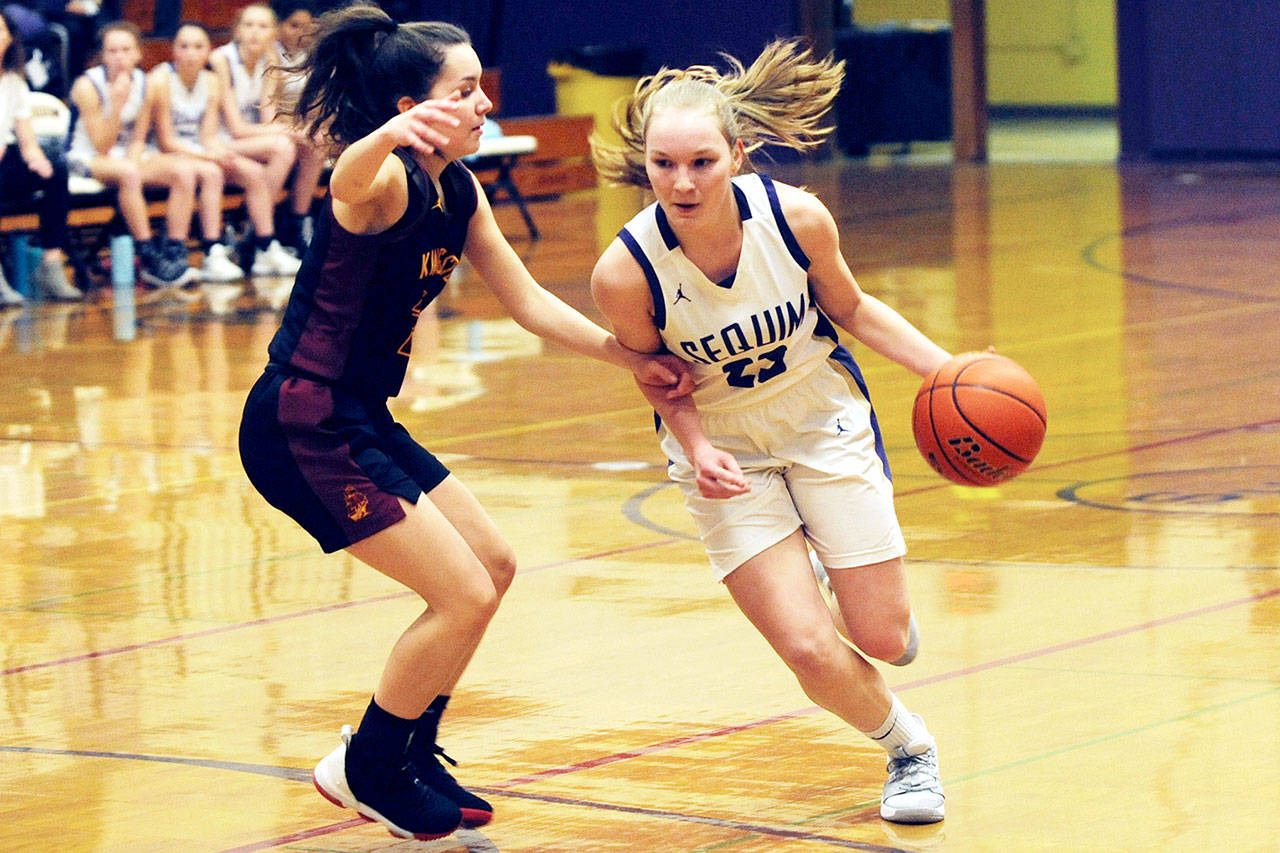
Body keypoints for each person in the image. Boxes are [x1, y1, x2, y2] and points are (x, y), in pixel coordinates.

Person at [237, 5, 692, 841]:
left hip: (358, 415)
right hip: (301, 423)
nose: (484, 103)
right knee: (459, 594)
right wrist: (396, 129)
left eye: (482, 87)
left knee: (494, 562)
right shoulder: (379, 184)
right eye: (465, 90)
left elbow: (529, 303)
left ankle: (407, 748)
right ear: (415, 106)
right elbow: (343, 178)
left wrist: (632, 359)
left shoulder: (458, 185)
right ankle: (367, 767)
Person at [589, 40, 951, 825]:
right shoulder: (625, 272)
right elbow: (662, 380)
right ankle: (909, 748)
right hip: (724, 453)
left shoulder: (794, 217)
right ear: (644, 164)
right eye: (662, 164)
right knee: (808, 647)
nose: (681, 182)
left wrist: (947, 370)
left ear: (737, 155)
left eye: (701, 162)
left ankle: (863, 601)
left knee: (882, 637)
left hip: (822, 420)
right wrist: (697, 445)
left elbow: (852, 310)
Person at [66, 20, 198, 288]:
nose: (120, 57)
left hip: (127, 157)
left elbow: (139, 137)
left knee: (184, 170)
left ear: (138, 53)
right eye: (112, 51)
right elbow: (101, 146)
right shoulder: (86, 86)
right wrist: (115, 104)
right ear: (102, 56)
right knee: (128, 173)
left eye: (126, 50)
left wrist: (135, 156)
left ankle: (174, 251)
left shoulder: (147, 83)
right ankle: (148, 255)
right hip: (87, 157)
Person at [145, 23, 247, 282]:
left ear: (207, 52)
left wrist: (219, 152)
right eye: (184, 46)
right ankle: (175, 251)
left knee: (214, 172)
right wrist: (208, 156)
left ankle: (212, 251)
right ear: (173, 52)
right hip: (159, 153)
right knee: (202, 170)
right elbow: (166, 141)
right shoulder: (160, 79)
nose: (190, 53)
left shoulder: (212, 82)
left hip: (193, 154)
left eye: (198, 46)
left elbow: (208, 136)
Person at [209, 2, 300, 277]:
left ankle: (261, 240)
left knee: (289, 144)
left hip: (248, 141)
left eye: (262, 26)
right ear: (236, 30)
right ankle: (259, 238)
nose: (254, 33)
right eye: (248, 25)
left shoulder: (270, 58)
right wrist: (291, 131)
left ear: (273, 32)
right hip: (217, 140)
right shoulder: (220, 60)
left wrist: (290, 129)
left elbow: (267, 117)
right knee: (285, 144)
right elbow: (235, 127)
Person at [0, 7, 79, 304]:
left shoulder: (14, 82)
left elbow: (26, 138)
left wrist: (37, 159)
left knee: (56, 169)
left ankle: (50, 264)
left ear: (10, 38)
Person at [268, 0, 324, 254]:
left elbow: (315, 106)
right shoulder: (270, 54)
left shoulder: (312, 59)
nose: (302, 32)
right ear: (279, 27)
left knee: (317, 142)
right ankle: (259, 230)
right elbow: (267, 110)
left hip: (296, 129)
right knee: (296, 145)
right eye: (294, 25)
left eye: (307, 27)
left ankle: (298, 220)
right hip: (270, 128)